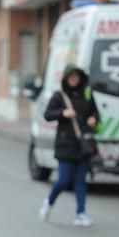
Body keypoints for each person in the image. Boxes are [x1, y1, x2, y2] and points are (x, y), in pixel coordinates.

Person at [38, 66, 98, 227]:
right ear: (65, 78)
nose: (74, 79)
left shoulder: (86, 94)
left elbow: (95, 112)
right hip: (65, 144)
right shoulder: (60, 96)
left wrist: (93, 118)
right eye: (70, 77)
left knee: (80, 180)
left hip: (83, 143)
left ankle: (80, 213)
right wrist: (63, 113)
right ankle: (49, 202)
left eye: (76, 77)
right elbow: (47, 114)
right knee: (64, 180)